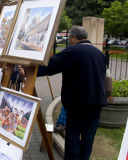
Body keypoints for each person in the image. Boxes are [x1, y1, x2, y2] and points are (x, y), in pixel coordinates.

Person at [37, 25, 107, 160]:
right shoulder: (99, 53)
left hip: (78, 104)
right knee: (89, 136)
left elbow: (51, 66)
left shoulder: (73, 51)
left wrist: (31, 72)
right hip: (96, 103)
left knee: (73, 135)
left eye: (69, 37)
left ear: (74, 37)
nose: (69, 40)